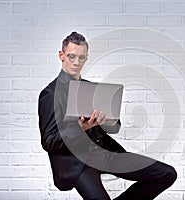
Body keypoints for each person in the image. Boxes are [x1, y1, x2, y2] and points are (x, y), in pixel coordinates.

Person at [38, 31, 177, 200]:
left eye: (81, 58)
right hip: (77, 162)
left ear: (86, 58)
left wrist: (106, 121)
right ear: (61, 55)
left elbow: (115, 128)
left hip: (103, 153)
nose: (76, 62)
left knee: (167, 174)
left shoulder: (92, 89)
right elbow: (49, 142)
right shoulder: (50, 94)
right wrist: (80, 127)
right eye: (71, 56)